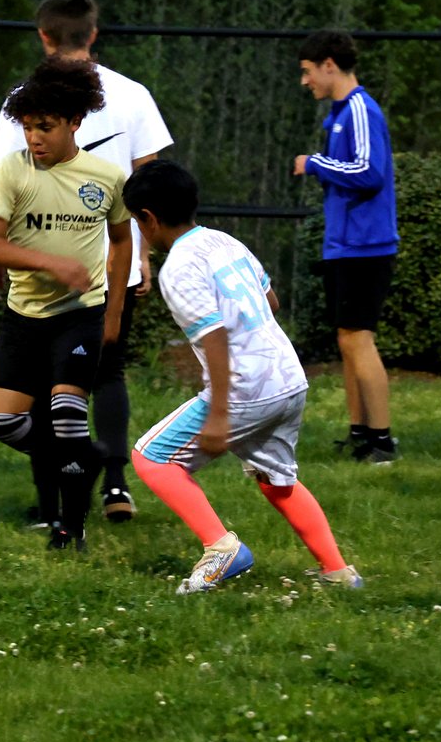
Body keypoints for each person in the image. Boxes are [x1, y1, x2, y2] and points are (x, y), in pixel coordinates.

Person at [124, 159, 362, 593]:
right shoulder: (224, 242)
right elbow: (270, 301)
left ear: (148, 219)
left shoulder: (177, 267)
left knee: (151, 457)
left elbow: (213, 338)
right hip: (288, 379)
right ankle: (338, 571)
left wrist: (218, 415)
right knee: (277, 480)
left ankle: (220, 548)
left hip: (245, 389)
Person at [0, 0, 172, 523]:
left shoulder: (23, 98)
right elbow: (149, 184)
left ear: (43, 35)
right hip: (116, 260)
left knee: (44, 390)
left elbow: (5, 178)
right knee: (107, 374)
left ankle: (52, 507)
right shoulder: (134, 94)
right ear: (94, 31)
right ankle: (113, 486)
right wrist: (145, 258)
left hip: (54, 265)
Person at [0, 56, 132, 550]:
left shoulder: (105, 177)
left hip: (80, 315)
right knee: (2, 421)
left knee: (67, 411)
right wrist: (49, 263)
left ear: (74, 123)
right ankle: (82, 459)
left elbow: (122, 239)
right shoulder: (11, 171)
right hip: (25, 315)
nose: (33, 138)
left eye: (44, 127)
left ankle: (71, 526)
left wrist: (114, 311)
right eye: (26, 127)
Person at [293, 29, 399, 464]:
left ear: (329, 64)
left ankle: (383, 441)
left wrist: (313, 163)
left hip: (366, 246)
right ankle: (360, 433)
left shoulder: (359, 109)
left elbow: (369, 170)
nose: (305, 81)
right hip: (346, 245)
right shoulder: (340, 113)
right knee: (348, 339)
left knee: (359, 339)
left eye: (307, 71)